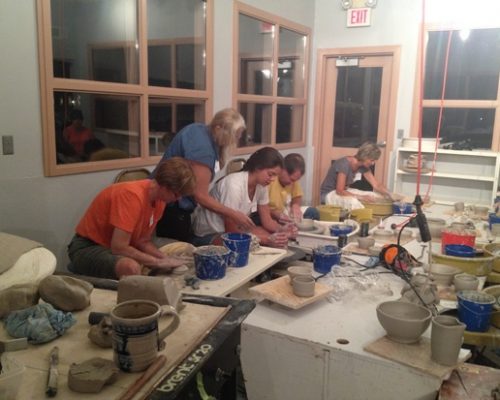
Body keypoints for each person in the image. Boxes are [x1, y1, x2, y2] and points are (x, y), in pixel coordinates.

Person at [67, 157, 196, 279]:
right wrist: (157, 262)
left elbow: (142, 241)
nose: (178, 199)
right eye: (176, 194)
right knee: (131, 268)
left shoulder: (159, 200)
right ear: (164, 186)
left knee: (183, 250)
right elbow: (119, 247)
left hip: (114, 246)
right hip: (87, 247)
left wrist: (165, 258)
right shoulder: (132, 196)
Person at [152, 108, 254, 242]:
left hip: (169, 200)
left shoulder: (199, 130)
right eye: (235, 135)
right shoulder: (202, 150)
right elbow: (200, 196)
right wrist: (234, 214)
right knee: (177, 248)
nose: (238, 139)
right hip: (171, 205)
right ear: (219, 128)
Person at [192, 147, 293, 248]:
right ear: (258, 167)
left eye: (275, 176)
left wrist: (283, 230)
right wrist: (266, 239)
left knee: (269, 235)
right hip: (208, 234)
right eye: (271, 174)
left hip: (234, 230)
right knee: (255, 242)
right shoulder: (234, 185)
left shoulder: (261, 186)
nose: (273, 179)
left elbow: (268, 221)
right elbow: (231, 232)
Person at [319, 142, 393, 208]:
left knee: (374, 196)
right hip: (329, 193)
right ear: (365, 156)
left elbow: (376, 185)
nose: (373, 163)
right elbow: (340, 191)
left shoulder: (363, 166)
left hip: (343, 191)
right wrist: (362, 197)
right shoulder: (344, 164)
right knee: (353, 202)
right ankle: (363, 218)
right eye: (372, 160)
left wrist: (390, 194)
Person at [267, 153, 305, 223]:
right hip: (270, 216)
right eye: (291, 179)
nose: (292, 183)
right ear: (283, 169)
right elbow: (261, 208)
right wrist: (276, 214)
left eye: (295, 181)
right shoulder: (270, 180)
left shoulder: (293, 181)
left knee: (312, 212)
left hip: (285, 212)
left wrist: (295, 205)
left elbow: (297, 197)